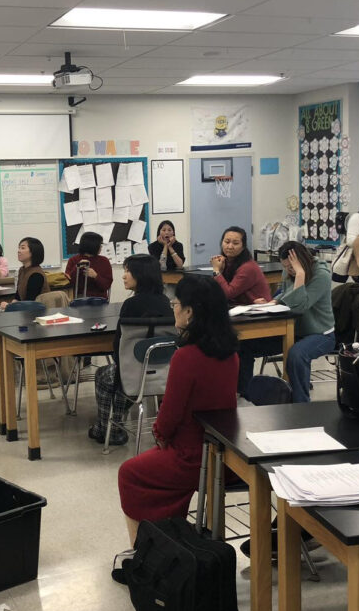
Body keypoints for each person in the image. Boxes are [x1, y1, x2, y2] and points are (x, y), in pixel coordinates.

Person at [116, 275, 238, 549]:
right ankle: (168, 539)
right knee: (155, 471)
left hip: (190, 455)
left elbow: (169, 415)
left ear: (190, 312)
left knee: (130, 473)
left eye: (176, 303)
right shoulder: (230, 353)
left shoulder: (185, 356)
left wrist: (159, 435)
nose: (173, 307)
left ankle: (145, 551)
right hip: (223, 452)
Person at [88, 254, 171, 446]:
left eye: (127, 271)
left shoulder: (131, 305)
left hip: (133, 376)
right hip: (163, 375)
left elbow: (119, 347)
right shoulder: (166, 302)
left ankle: (106, 428)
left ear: (140, 275)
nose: (123, 276)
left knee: (105, 374)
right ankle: (114, 427)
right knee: (123, 370)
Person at [246, 241, 335, 403]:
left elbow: (301, 305)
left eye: (291, 266)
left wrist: (300, 275)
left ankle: (300, 404)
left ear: (302, 260)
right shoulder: (290, 272)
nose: (288, 271)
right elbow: (285, 293)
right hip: (292, 331)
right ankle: (243, 392)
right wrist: (270, 303)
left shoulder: (321, 275)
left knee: (297, 355)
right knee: (246, 346)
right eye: (285, 267)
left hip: (321, 334)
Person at [211, 225, 271, 305]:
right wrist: (221, 271)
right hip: (239, 307)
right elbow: (216, 292)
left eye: (235, 243)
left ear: (243, 246)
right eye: (227, 242)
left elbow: (228, 294)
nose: (230, 246)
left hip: (258, 309)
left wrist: (217, 272)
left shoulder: (248, 267)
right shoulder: (227, 262)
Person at [65, 232, 113, 300]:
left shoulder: (104, 261)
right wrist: (77, 268)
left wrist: (96, 276)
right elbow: (68, 283)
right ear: (92, 245)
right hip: (78, 298)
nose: (101, 247)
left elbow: (107, 285)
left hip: (99, 299)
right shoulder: (73, 260)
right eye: (99, 244)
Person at [6, 237, 47, 305]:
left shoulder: (36, 274)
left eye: (23, 248)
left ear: (33, 251)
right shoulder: (22, 270)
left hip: (35, 312)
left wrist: (9, 306)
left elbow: (30, 302)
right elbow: (18, 296)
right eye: (19, 248)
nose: (19, 251)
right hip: (24, 310)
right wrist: (11, 305)